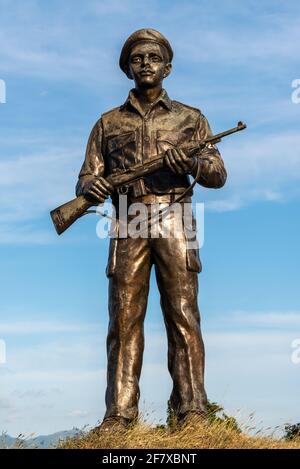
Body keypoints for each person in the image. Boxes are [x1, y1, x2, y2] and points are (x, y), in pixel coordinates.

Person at [76, 28, 227, 432]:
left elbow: (217, 173)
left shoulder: (191, 118)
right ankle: (119, 416)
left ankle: (192, 411)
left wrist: (191, 164)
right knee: (124, 321)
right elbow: (85, 181)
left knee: (183, 315)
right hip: (127, 218)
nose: (145, 64)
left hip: (177, 216)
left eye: (153, 58)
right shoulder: (107, 124)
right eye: (137, 58)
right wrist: (95, 186)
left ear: (168, 67)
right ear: (127, 68)